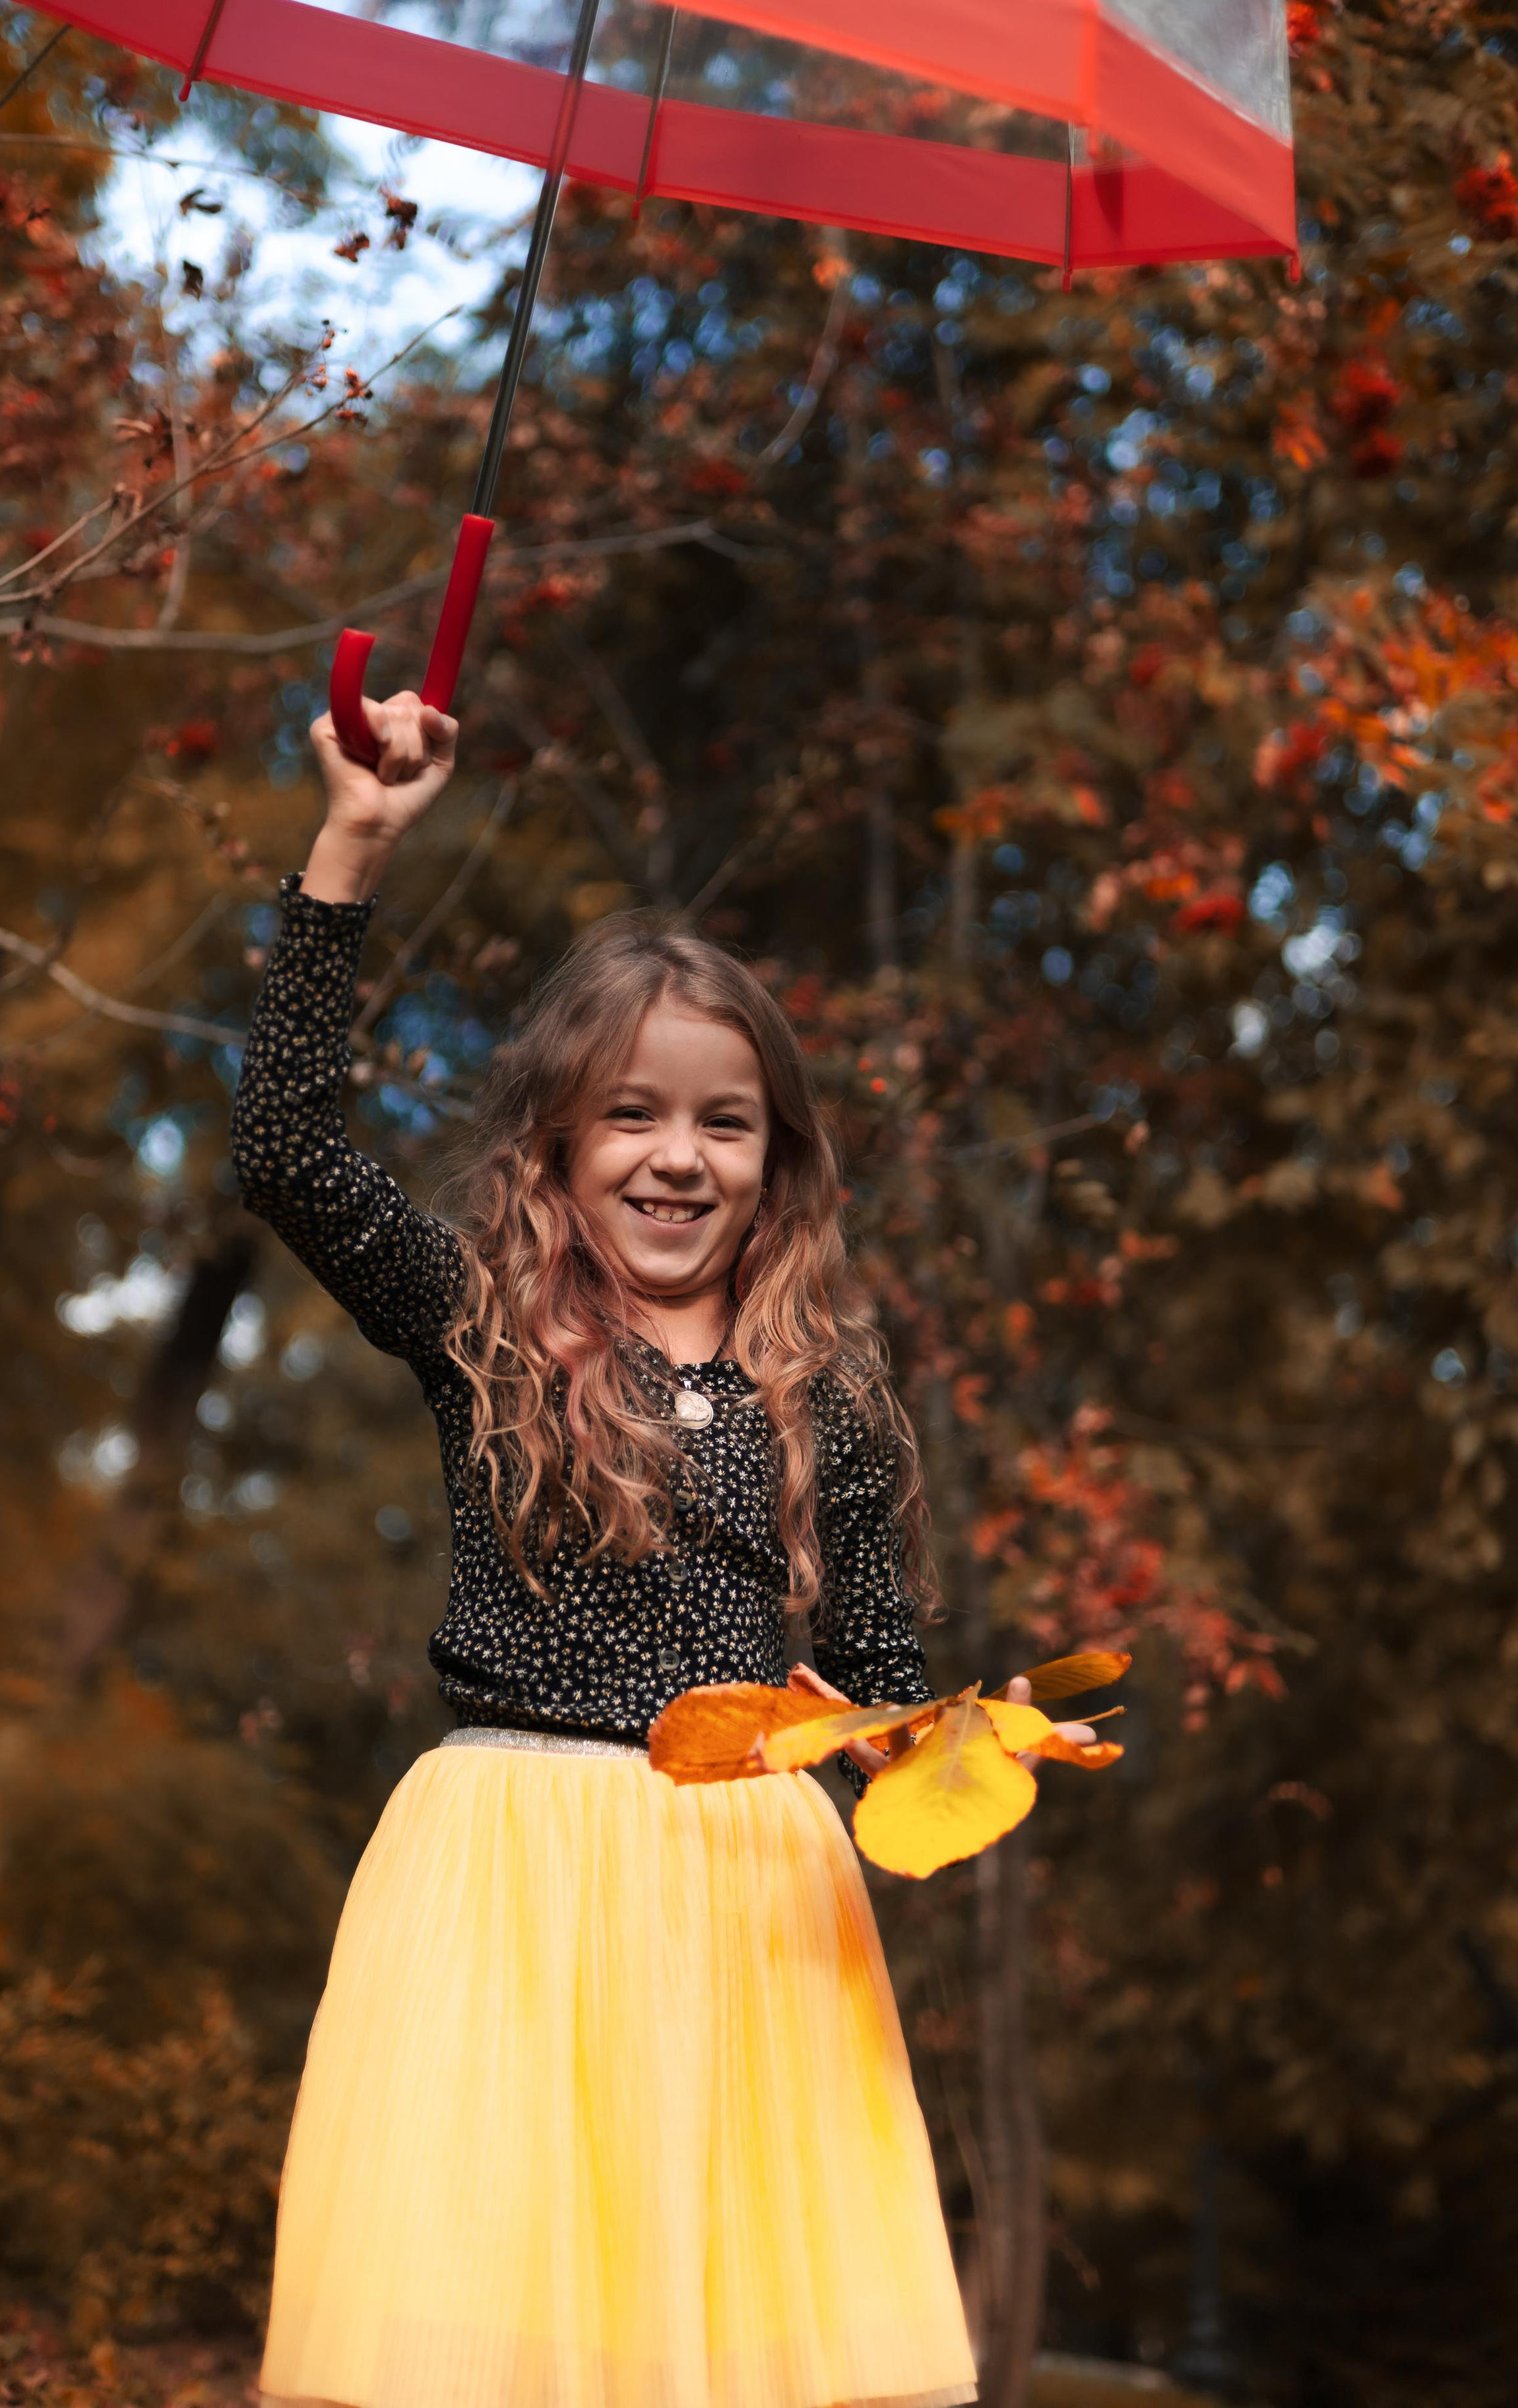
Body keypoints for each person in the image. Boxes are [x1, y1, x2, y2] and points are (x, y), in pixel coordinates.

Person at [232, 678, 982, 2408]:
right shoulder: (484, 1326)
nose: (677, 1155)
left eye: (725, 1122)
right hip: (509, 1878)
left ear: (777, 1163)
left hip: (750, 1913)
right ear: (561, 1149)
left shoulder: (835, 1405)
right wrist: (351, 839)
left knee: (719, 2357)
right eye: (633, 1115)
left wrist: (968, 1759)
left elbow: (883, 1720)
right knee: (491, 2330)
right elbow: (281, 1151)